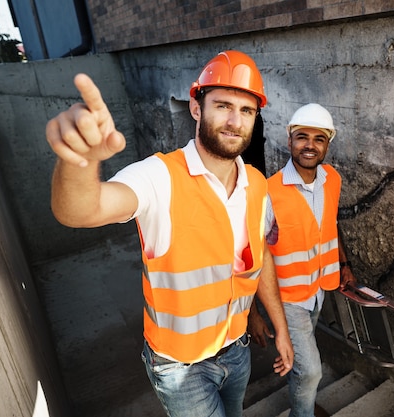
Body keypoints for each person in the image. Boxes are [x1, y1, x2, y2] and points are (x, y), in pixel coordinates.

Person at [45, 50, 294, 417]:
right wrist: (78, 161)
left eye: (246, 111)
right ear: (196, 107)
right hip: (181, 369)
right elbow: (82, 210)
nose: (234, 121)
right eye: (223, 105)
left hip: (236, 350)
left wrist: (280, 328)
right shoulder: (159, 177)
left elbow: (261, 256)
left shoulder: (256, 184)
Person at [247, 103, 356, 417]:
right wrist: (251, 314)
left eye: (318, 139)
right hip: (286, 299)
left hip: (319, 290)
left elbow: (329, 225)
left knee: (300, 364)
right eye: (302, 137)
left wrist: (344, 266)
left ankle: (303, 403)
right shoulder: (268, 193)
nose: (310, 145)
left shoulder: (332, 179)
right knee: (310, 371)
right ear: (289, 140)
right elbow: (251, 256)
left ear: (327, 144)